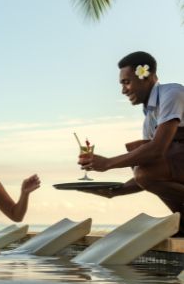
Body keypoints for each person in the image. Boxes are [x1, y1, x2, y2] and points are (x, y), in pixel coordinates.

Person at [78, 51, 184, 235]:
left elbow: (157, 151)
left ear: (146, 76)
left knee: (144, 158)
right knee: (141, 159)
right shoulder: (149, 120)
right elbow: (150, 174)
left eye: (126, 82)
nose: (123, 90)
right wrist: (114, 191)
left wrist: (108, 163)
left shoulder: (172, 94)